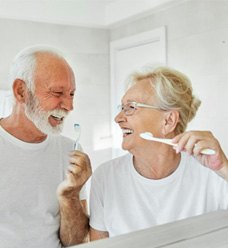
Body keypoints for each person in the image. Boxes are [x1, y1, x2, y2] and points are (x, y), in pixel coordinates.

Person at [89, 66, 228, 240]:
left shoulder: (212, 173)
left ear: (169, 121)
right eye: (122, 107)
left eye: (131, 107)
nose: (118, 118)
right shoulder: (105, 177)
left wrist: (224, 168)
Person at [0, 45, 92, 247]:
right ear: (21, 91)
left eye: (71, 94)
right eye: (58, 92)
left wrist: (71, 195)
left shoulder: (71, 151)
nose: (69, 106)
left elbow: (76, 242)